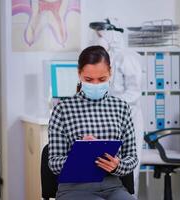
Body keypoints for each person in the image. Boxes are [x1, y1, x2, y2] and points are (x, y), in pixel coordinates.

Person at [48, 45, 138, 200]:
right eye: (89, 79)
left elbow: (132, 157)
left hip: (113, 186)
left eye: (102, 79)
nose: (95, 84)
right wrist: (79, 154)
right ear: (79, 74)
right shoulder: (62, 110)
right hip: (74, 189)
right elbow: (54, 163)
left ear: (110, 73)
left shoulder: (121, 108)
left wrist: (117, 165)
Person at [90, 18, 144, 194]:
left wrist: (110, 105)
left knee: (128, 172)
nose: (98, 37)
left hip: (129, 119)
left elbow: (134, 93)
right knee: (109, 167)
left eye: (101, 33)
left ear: (113, 34)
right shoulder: (106, 59)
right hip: (111, 121)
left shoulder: (128, 57)